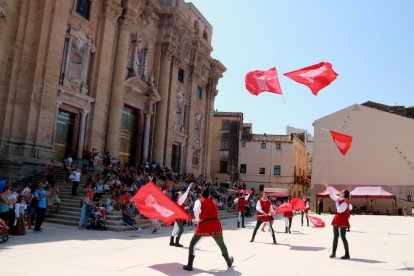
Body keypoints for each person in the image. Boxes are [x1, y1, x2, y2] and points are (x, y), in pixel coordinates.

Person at [183, 188, 234, 271]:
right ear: (209, 194)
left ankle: (189, 265)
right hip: (215, 224)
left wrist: (197, 219)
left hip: (204, 225)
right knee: (221, 244)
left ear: (202, 194)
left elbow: (196, 209)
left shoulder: (199, 201)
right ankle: (228, 261)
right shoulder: (213, 201)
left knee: (192, 244)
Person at [323, 181, 352, 259]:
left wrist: (336, 203)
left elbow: (339, 210)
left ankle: (347, 254)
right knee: (335, 236)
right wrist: (327, 186)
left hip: (342, 219)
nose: (340, 191)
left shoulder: (345, 202)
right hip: (337, 218)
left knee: (343, 236)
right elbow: (332, 195)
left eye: (342, 191)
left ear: (344, 194)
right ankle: (333, 253)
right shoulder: (339, 198)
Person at [170, 183, 193, 247]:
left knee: (175, 229)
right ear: (178, 196)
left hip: (178, 216)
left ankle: (171, 242)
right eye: (180, 193)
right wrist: (189, 187)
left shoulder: (179, 201)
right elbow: (185, 194)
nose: (181, 194)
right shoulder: (180, 199)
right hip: (179, 217)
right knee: (181, 230)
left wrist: (185, 208)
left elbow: (181, 207)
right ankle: (177, 243)